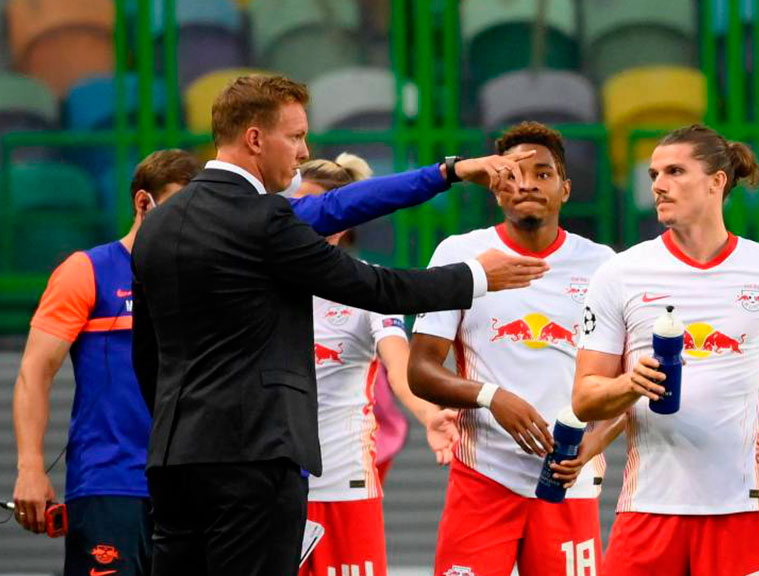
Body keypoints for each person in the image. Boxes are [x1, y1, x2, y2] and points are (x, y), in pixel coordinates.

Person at [130, 74, 548, 576]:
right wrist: (477, 275)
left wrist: (449, 172)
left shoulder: (158, 225)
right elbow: (374, 288)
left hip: (174, 458)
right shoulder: (263, 221)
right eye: (297, 136)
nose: (305, 152)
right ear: (256, 139)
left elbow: (147, 354)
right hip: (256, 457)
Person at [572, 125, 759, 575]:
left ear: (717, 181)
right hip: (647, 512)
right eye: (653, 174)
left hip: (739, 512)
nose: (658, 185)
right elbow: (585, 396)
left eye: (675, 171)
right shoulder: (620, 273)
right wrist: (630, 384)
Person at [409, 121, 621, 576]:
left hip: (568, 484)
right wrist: (491, 396)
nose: (526, 183)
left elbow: (634, 383)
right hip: (483, 478)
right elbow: (421, 371)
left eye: (542, 174)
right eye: (513, 174)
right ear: (496, 189)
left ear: (565, 189)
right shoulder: (459, 255)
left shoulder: (605, 266)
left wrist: (592, 446)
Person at [11, 150, 199, 576]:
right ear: (142, 203)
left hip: (191, 488)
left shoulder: (203, 280)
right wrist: (29, 468)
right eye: (178, 208)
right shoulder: (87, 271)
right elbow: (33, 375)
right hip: (110, 484)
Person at [293, 154, 460, 576]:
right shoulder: (262, 286)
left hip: (344, 479)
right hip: (273, 485)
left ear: (343, 223)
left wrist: (427, 413)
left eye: (318, 210)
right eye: (297, 209)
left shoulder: (368, 284)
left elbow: (399, 365)